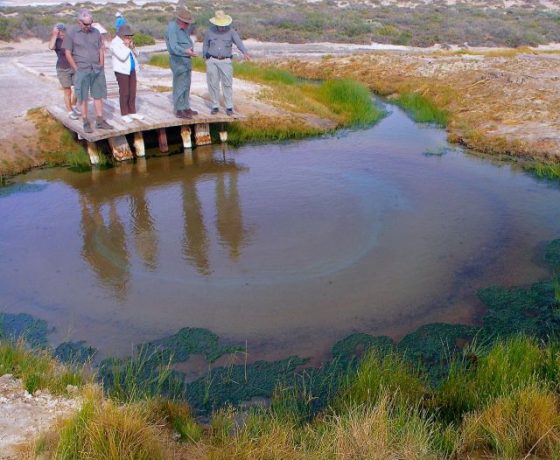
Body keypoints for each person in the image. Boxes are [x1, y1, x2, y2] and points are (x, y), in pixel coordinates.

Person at [63, 9, 113, 133]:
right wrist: (76, 68)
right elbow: (67, 52)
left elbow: (101, 48)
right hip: (82, 69)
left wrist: (101, 63)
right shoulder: (71, 32)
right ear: (79, 22)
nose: (89, 26)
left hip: (96, 68)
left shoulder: (96, 32)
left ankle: (100, 121)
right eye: (86, 24)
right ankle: (85, 121)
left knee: (98, 95)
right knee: (82, 97)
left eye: (91, 23)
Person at [203, 10, 250, 116]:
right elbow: (205, 44)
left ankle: (229, 107)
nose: (222, 27)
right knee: (213, 83)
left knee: (227, 84)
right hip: (212, 60)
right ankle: (215, 105)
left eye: (223, 25)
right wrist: (205, 56)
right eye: (220, 25)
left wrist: (245, 52)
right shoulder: (210, 31)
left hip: (226, 61)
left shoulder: (231, 31)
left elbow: (239, 42)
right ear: (215, 23)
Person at [165, 5, 198, 119]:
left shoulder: (183, 28)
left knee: (186, 83)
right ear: (180, 20)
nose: (188, 25)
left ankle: (185, 106)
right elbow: (174, 46)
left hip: (186, 59)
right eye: (186, 23)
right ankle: (179, 109)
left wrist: (189, 52)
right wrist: (187, 51)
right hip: (178, 60)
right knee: (179, 83)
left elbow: (185, 42)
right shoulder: (172, 28)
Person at [110, 24, 143, 123]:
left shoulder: (128, 43)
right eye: (127, 35)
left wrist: (132, 47)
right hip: (121, 71)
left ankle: (132, 111)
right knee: (125, 92)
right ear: (121, 35)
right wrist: (127, 46)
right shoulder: (114, 44)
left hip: (132, 69)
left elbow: (137, 54)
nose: (129, 37)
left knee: (132, 91)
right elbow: (122, 57)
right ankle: (124, 113)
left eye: (130, 35)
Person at [48, 23, 80, 120]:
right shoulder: (56, 41)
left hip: (74, 67)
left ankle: (74, 105)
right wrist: (54, 34)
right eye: (59, 31)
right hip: (62, 69)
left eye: (63, 31)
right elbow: (50, 47)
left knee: (78, 88)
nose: (61, 33)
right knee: (67, 91)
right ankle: (70, 111)